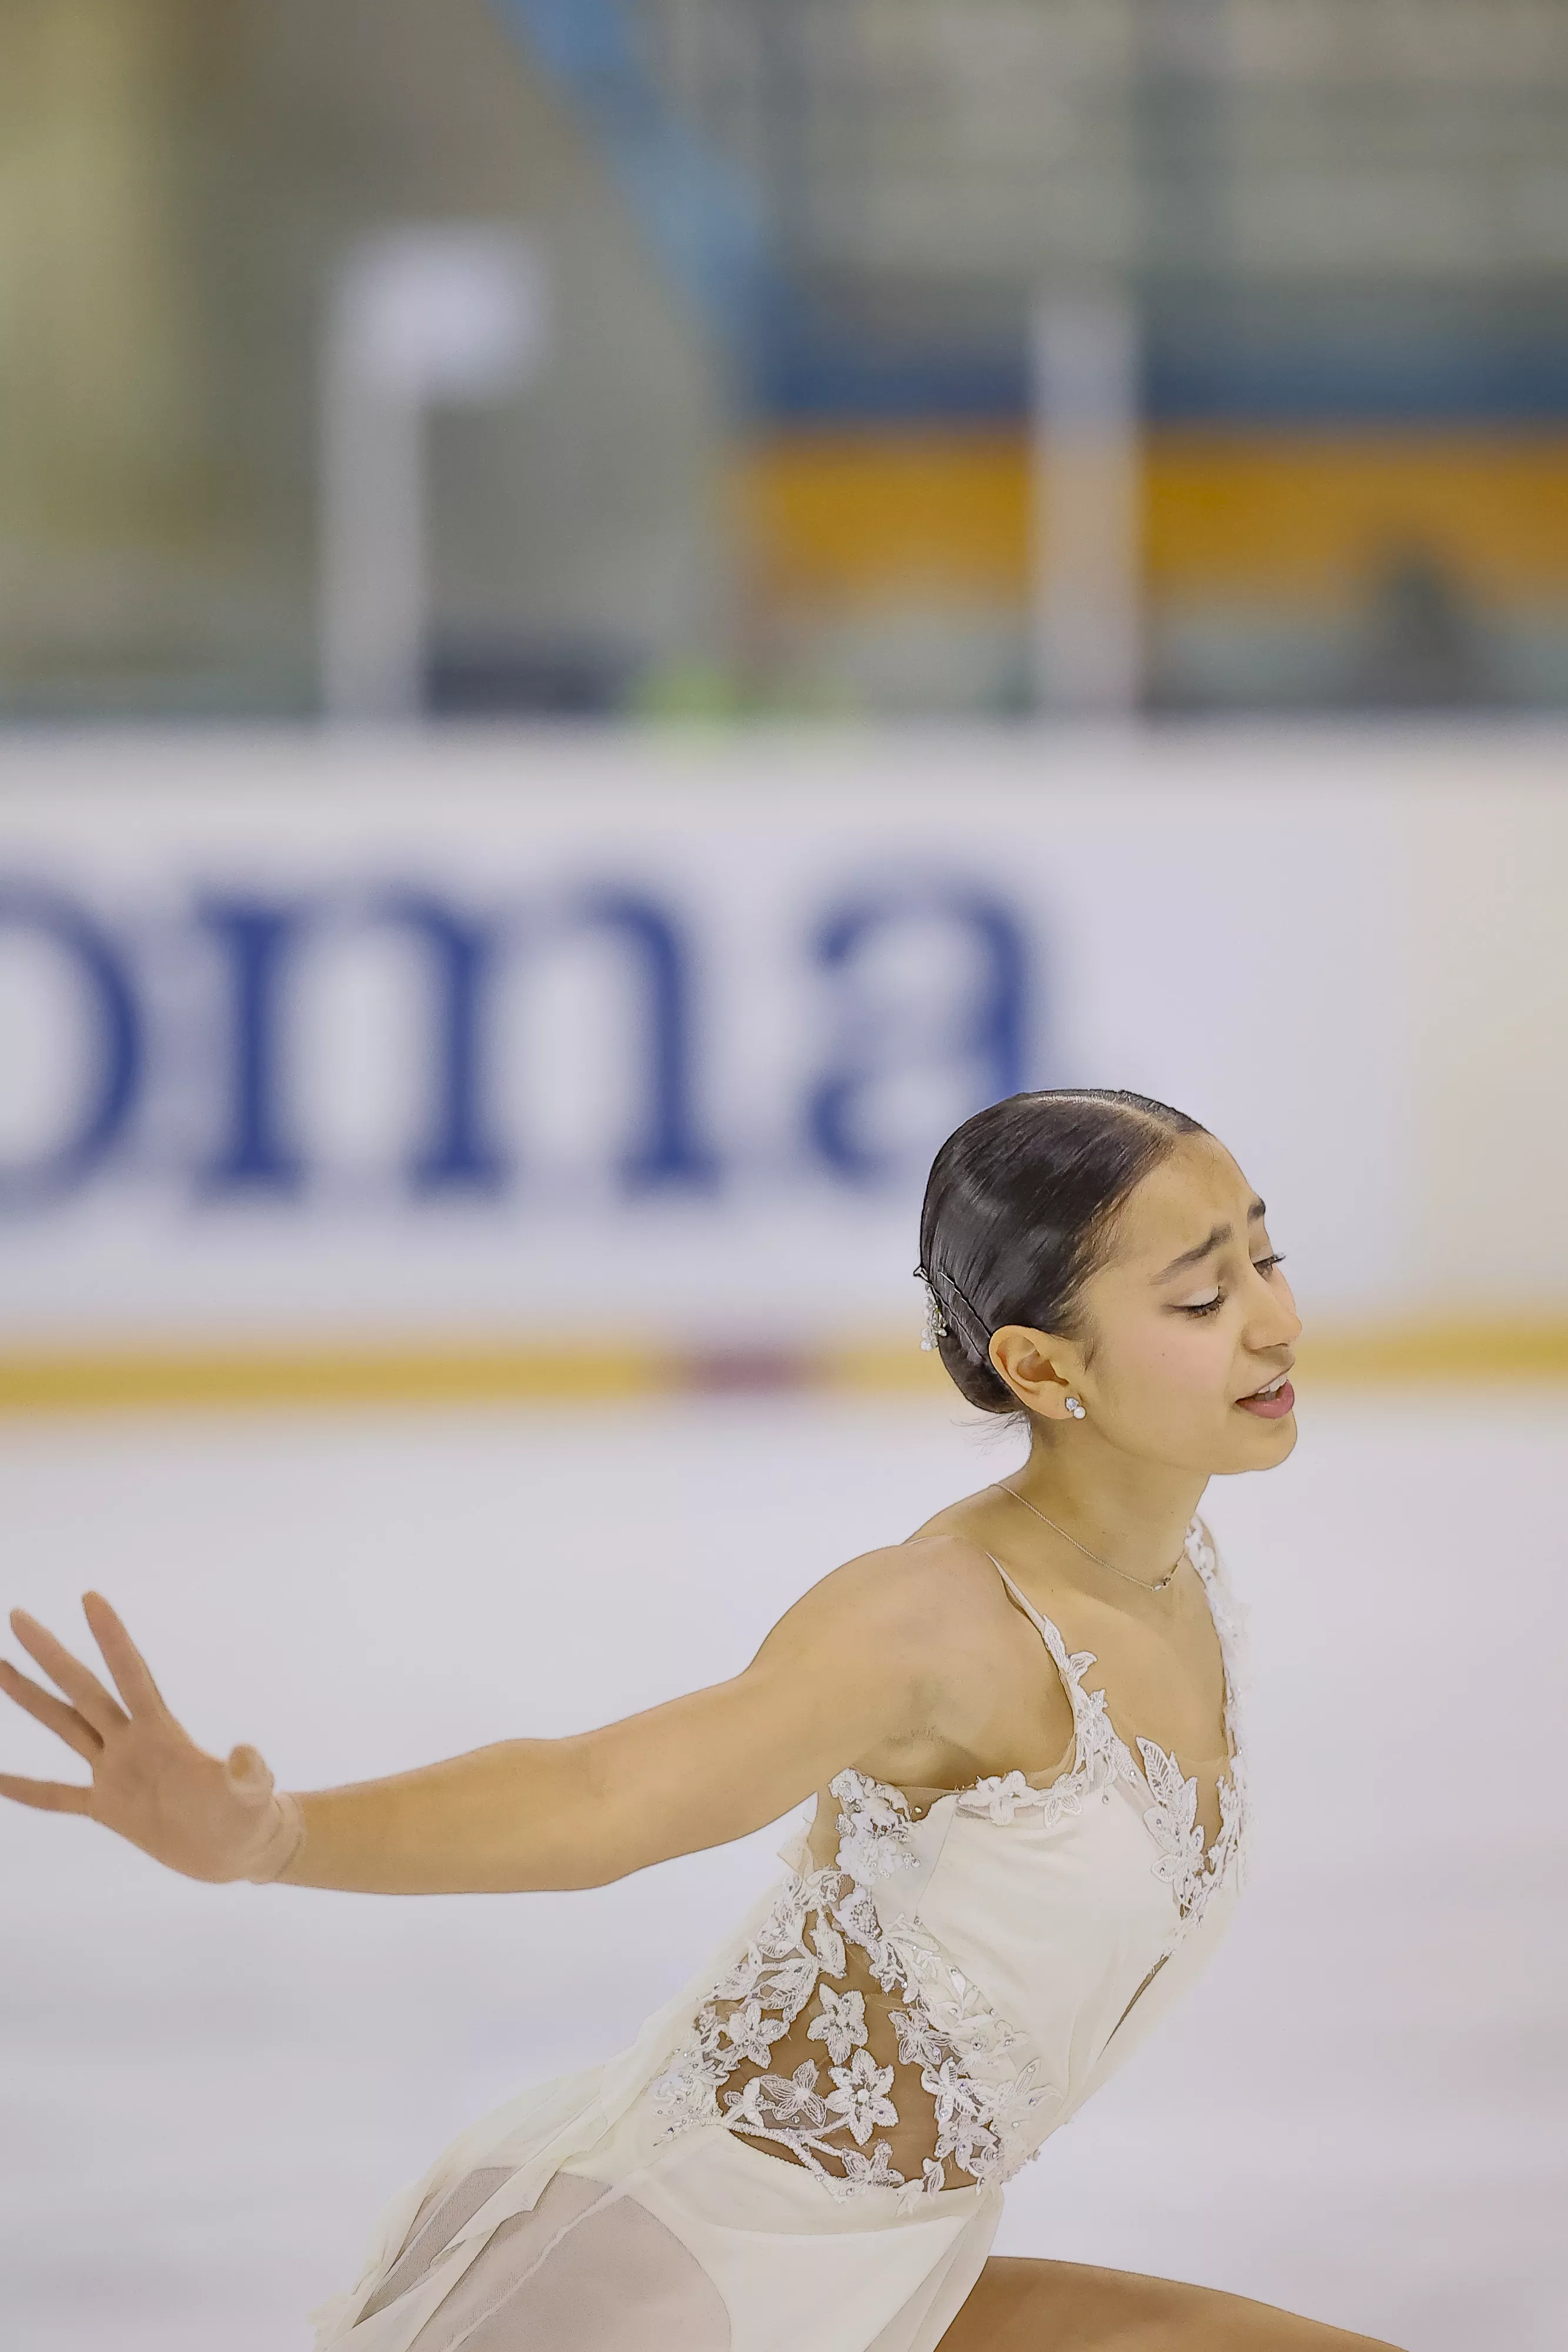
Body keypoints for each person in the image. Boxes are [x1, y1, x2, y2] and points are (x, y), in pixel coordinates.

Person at [1, 1089, 1402, 2352]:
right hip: (674, 2288)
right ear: (1043, 1369)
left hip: (899, 2277)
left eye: (1263, 1256)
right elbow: (600, 1793)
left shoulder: (1176, 1568)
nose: (1275, 1319)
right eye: (1201, 1297)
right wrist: (275, 1833)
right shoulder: (936, 1620)